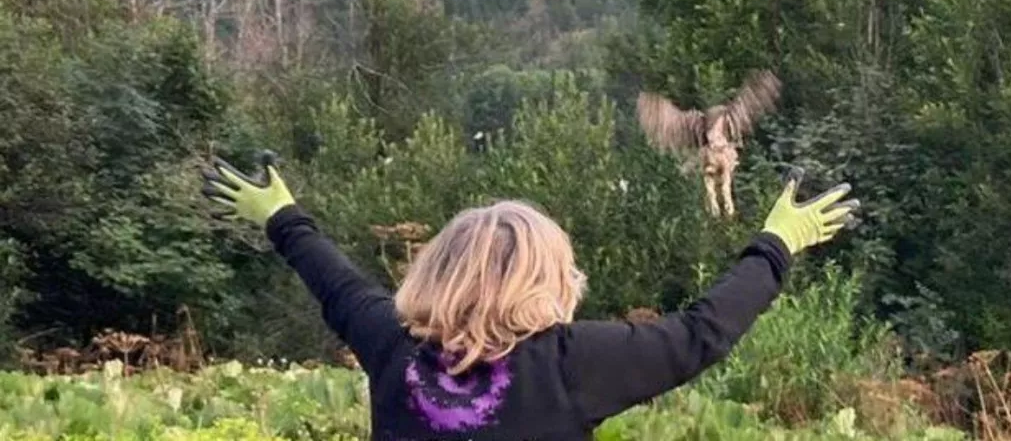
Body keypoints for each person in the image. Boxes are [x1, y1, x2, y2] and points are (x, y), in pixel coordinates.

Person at [201, 155, 859, 440]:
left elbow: (337, 285)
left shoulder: (394, 350)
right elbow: (700, 334)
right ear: (553, 280)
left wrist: (281, 216)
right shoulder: (572, 363)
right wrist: (778, 241)